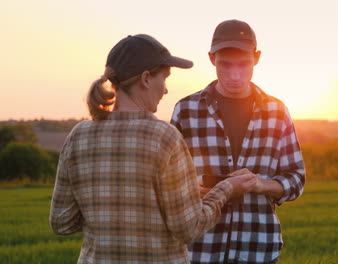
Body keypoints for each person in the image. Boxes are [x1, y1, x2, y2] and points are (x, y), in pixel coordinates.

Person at [49, 34, 256, 264]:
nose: (166, 90)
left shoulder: (78, 136)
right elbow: (189, 228)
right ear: (146, 79)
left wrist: (108, 214)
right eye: (164, 78)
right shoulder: (164, 137)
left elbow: (62, 222)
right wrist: (226, 189)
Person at [170, 20, 306, 264]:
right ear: (212, 59)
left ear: (257, 58)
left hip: (257, 249)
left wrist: (259, 184)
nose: (234, 75)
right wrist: (197, 191)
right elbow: (167, 182)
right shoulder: (186, 110)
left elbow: (296, 179)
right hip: (199, 250)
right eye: (225, 64)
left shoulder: (277, 111)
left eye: (244, 64)